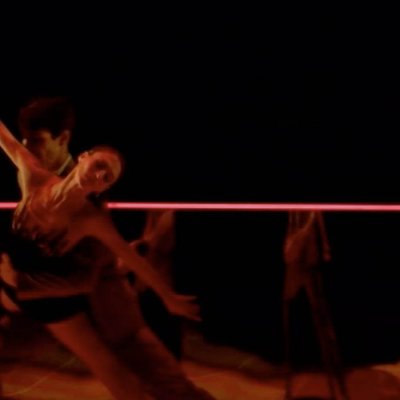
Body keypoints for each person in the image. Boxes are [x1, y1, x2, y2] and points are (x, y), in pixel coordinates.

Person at [0, 106, 210, 399]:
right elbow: (6, 139)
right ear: (83, 156)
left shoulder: (91, 218)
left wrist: (168, 298)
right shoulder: (33, 175)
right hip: (14, 286)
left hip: (50, 299)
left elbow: (131, 259)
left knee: (114, 372)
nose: (99, 175)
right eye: (99, 165)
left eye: (107, 177)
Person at [282, 210, 349, 400]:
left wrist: (322, 244)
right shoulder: (297, 215)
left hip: (307, 259)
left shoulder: (312, 215)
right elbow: (294, 220)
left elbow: (314, 218)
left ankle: (337, 386)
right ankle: (289, 386)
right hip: (297, 257)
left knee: (322, 321)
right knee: (291, 317)